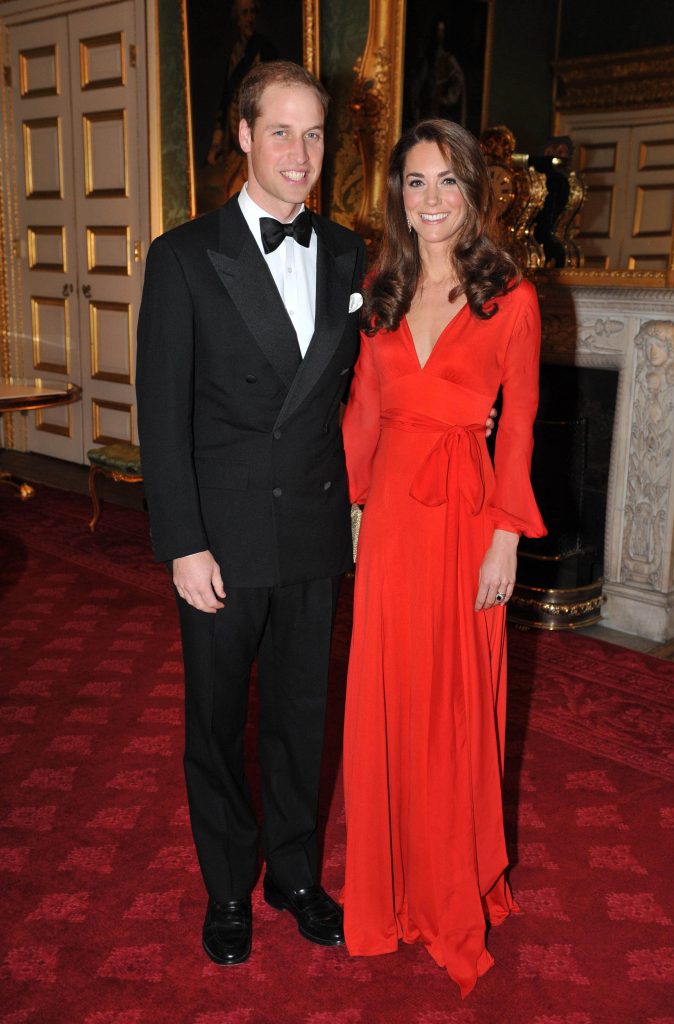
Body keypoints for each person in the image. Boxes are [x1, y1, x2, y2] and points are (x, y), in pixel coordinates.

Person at [136, 61, 366, 967]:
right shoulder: (185, 255)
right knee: (217, 719)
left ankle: (295, 875)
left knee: (301, 716)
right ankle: (228, 885)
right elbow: (163, 415)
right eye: (280, 131)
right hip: (222, 538)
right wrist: (182, 543)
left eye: (313, 134)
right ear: (241, 136)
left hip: (311, 529)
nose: (299, 153)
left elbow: (361, 393)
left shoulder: (346, 252)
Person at [341, 118, 547, 997]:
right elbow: (360, 409)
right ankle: (388, 892)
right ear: (398, 195)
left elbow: (522, 424)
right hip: (388, 519)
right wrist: (345, 511)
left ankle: (451, 887)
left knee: (455, 703)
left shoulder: (513, 299)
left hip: (466, 519)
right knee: (387, 697)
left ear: (473, 192)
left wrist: (505, 532)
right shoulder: (378, 288)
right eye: (415, 183)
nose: (429, 200)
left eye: (446, 182)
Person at [206, 0, 278, 200]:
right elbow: (225, 97)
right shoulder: (234, 53)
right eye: (244, 14)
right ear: (237, 19)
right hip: (234, 128)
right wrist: (217, 141)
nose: (249, 18)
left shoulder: (265, 48)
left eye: (252, 13)